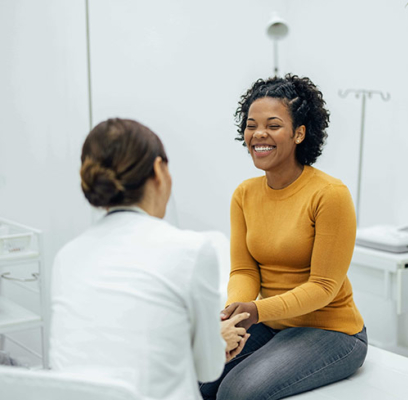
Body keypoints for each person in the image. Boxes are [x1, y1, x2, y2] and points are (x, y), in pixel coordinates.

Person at [49, 118, 250, 400]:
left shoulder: (66, 257)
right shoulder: (191, 250)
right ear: (159, 170)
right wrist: (219, 341)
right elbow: (207, 370)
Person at [200, 75, 367, 400]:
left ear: (299, 133)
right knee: (198, 379)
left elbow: (323, 288)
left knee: (236, 393)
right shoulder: (244, 194)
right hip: (274, 324)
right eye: (252, 125)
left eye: (273, 125)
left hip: (332, 330)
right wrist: (234, 314)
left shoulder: (330, 195)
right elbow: (244, 271)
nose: (259, 134)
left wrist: (256, 312)